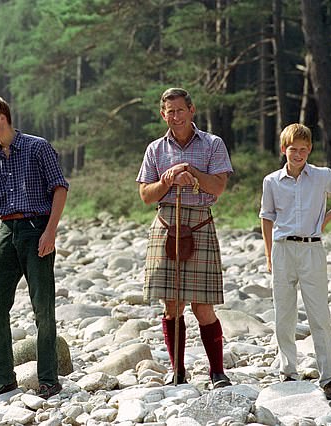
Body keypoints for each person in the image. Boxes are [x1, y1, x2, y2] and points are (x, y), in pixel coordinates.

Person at [0, 95, 69, 400]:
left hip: (37, 229)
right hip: (7, 230)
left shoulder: (37, 147)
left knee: (42, 308)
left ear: (1, 118)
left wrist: (50, 232)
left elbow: (60, 188)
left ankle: (48, 379)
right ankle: (4, 379)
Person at [136, 87, 233, 388]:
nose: (175, 117)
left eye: (180, 110)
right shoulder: (155, 149)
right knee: (172, 304)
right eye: (170, 112)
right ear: (162, 114)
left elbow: (217, 187)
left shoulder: (213, 144)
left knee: (202, 306)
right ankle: (177, 372)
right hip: (166, 224)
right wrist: (167, 180)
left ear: (192, 111)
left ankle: (217, 372)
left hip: (200, 224)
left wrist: (190, 170)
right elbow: (145, 195)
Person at [259, 123, 331, 400]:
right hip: (282, 249)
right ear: (284, 150)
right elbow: (266, 217)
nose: (298, 154)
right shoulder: (271, 181)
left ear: (310, 149)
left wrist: (325, 219)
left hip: (312, 249)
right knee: (284, 314)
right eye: (293, 149)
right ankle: (288, 371)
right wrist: (268, 254)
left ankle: (329, 378)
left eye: (303, 149)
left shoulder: (322, 176)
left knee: (319, 315)